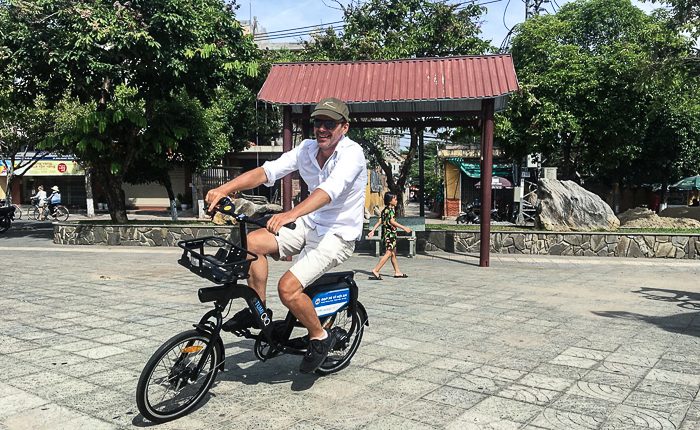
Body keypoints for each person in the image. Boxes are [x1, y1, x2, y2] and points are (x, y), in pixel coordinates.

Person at [205, 97, 367, 374]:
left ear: (344, 127)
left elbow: (328, 192)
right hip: (310, 223)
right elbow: (267, 172)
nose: (322, 129)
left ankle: (319, 336)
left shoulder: (352, 154)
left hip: (337, 235)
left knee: (288, 288)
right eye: (318, 123)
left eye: (330, 123)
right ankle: (259, 311)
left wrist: (290, 214)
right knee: (250, 243)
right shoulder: (306, 149)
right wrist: (224, 189)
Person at [367, 192, 412, 280]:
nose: (396, 201)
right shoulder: (391, 210)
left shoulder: (385, 210)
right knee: (388, 253)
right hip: (390, 235)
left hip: (386, 235)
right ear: (390, 201)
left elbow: (380, 221)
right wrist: (404, 228)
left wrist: (372, 230)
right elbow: (392, 222)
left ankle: (397, 272)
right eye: (395, 199)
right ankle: (376, 270)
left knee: (393, 253)